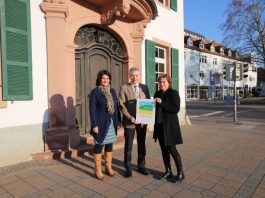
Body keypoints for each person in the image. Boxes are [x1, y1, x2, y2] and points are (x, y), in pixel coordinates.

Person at [119, 67, 150, 178]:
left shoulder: (144, 87)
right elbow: (121, 105)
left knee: (142, 144)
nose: (134, 77)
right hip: (130, 121)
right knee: (129, 145)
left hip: (142, 121)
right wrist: (130, 117)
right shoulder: (124, 88)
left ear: (139, 76)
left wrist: (146, 119)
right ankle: (127, 167)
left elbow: (148, 103)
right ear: (129, 76)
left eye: (136, 75)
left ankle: (141, 166)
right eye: (132, 75)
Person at [153, 74, 185, 182]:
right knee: (163, 150)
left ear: (169, 83)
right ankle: (168, 171)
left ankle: (180, 173)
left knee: (172, 150)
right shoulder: (157, 93)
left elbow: (175, 109)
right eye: (160, 82)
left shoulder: (173, 93)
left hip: (170, 127)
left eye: (164, 82)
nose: (161, 84)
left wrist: (162, 103)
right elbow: (153, 110)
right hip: (159, 126)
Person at [89, 70, 120, 180]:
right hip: (101, 123)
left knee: (109, 143)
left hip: (111, 122)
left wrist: (118, 121)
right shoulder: (95, 92)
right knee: (99, 143)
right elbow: (92, 110)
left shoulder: (113, 91)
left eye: (107, 78)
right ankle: (97, 170)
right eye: (103, 78)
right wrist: (94, 125)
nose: (105, 80)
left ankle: (108, 167)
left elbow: (116, 107)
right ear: (99, 80)